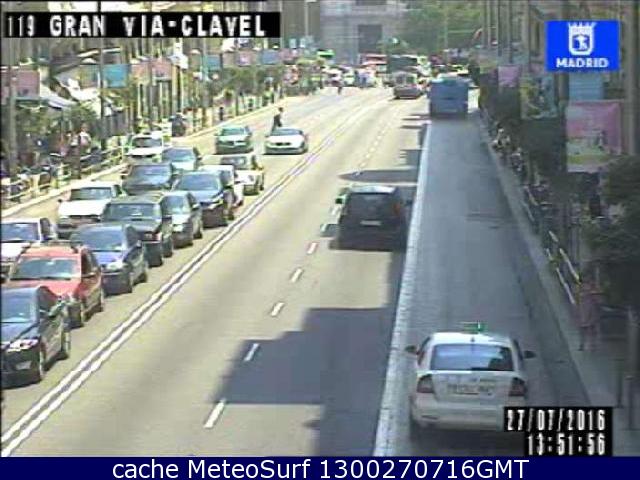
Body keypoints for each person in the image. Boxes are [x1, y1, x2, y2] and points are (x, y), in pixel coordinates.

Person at [577, 275, 602, 351]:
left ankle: (590, 345)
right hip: (585, 311)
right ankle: (585, 344)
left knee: (590, 328)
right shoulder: (583, 288)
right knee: (586, 328)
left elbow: (598, 299)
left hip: (590, 311)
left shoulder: (591, 288)